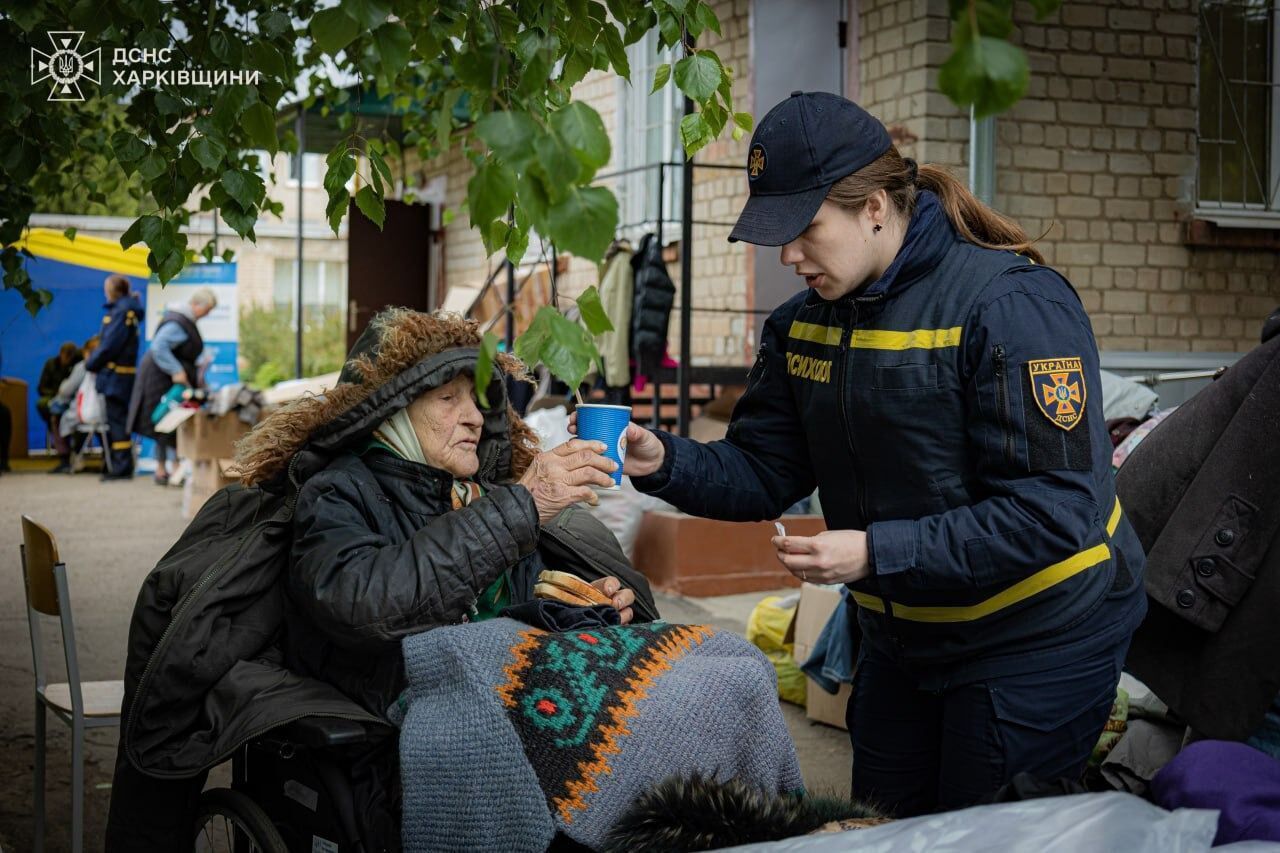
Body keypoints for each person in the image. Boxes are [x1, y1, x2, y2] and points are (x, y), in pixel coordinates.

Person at [573, 92, 1148, 817]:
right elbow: (762, 471)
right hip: (905, 638)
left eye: (805, 229)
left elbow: (1052, 513)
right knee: (880, 829)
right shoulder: (802, 326)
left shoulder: (1011, 306)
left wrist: (877, 551)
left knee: (983, 831)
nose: (787, 255)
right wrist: (664, 460)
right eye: (776, 234)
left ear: (874, 208)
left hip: (1037, 636)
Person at [128, 287, 216, 485]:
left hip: (165, 376)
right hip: (160, 377)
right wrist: (176, 370)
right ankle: (166, 469)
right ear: (196, 304)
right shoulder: (179, 322)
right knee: (164, 421)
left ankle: (169, 469)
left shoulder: (184, 321)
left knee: (171, 422)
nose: (208, 314)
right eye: (208, 309)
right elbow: (159, 346)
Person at [84, 275, 143, 480]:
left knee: (117, 422)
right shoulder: (128, 310)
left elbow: (109, 345)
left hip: (115, 377)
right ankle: (122, 465)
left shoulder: (119, 312)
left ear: (112, 291)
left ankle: (121, 468)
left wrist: (91, 363)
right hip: (122, 376)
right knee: (119, 422)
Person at [47, 335, 101, 473]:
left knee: (56, 410)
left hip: (88, 413)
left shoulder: (83, 367)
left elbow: (65, 391)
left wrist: (63, 385)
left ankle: (65, 458)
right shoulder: (114, 365)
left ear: (86, 352)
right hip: (109, 414)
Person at [37, 341, 82, 451]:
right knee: (45, 406)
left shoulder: (79, 366)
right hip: (54, 397)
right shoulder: (50, 364)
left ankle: (72, 446)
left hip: (73, 398)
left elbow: (73, 387)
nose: (66, 359)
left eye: (70, 356)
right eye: (65, 355)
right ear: (60, 353)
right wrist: (55, 394)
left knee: (66, 411)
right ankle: (56, 435)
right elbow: (41, 388)